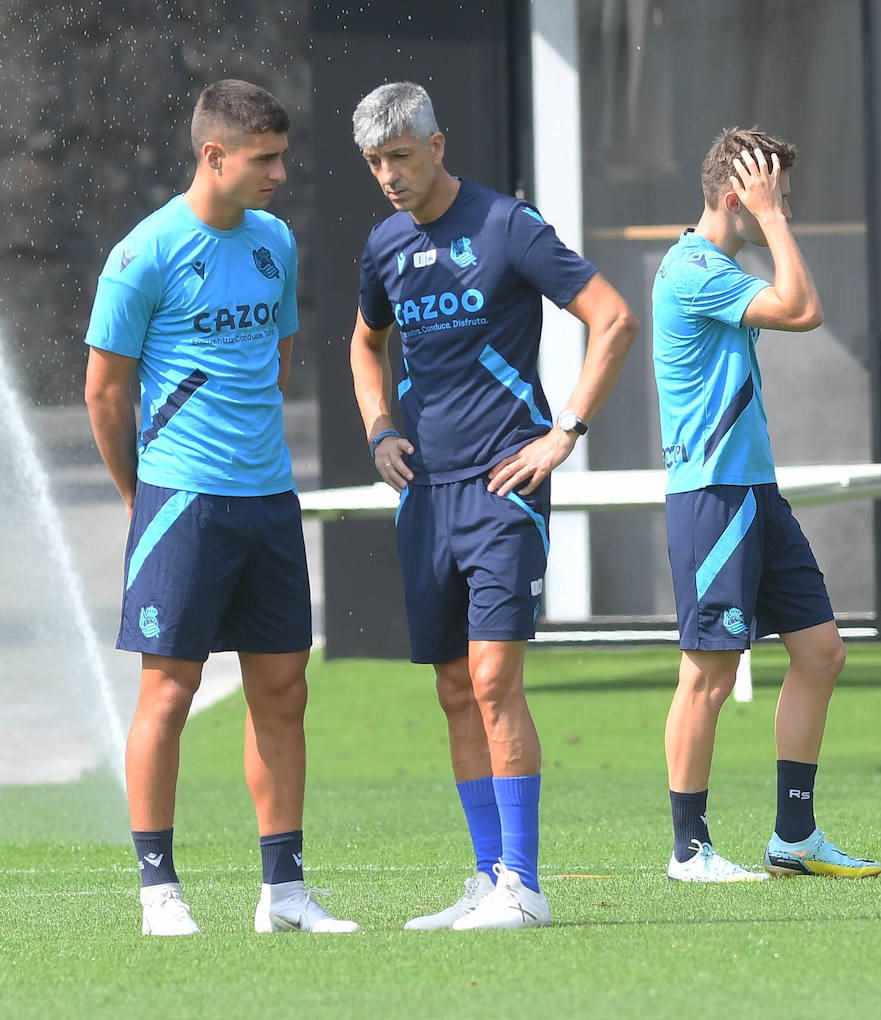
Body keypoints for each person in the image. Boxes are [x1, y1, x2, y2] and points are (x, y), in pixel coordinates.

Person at [348, 82, 639, 929]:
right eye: (374, 163)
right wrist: (377, 431)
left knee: (492, 680)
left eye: (400, 156)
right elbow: (365, 344)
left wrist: (564, 433)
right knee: (451, 688)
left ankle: (526, 886)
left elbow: (612, 318)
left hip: (504, 490)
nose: (389, 176)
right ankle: (486, 879)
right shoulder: (383, 245)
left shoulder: (508, 226)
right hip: (424, 497)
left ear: (437, 145)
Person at [84, 79, 357, 935]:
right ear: (215, 155)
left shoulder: (276, 241)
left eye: (281, 155)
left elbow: (275, 361)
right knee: (168, 693)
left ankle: (284, 895)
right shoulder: (145, 253)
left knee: (283, 690)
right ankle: (159, 891)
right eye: (265, 158)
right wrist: (141, 494)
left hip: (269, 500)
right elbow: (103, 391)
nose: (282, 172)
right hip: (183, 502)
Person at [651, 126, 881, 882]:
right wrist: (775, 220)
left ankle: (794, 836)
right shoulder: (692, 269)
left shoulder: (716, 266)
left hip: (755, 491)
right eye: (774, 192)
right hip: (713, 495)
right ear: (736, 196)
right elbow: (803, 308)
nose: (784, 205)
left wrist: (774, 215)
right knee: (710, 674)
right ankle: (689, 850)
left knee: (821, 653)